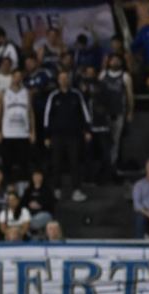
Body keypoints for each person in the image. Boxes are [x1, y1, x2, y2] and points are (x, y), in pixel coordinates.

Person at [43, 70, 91, 202]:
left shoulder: (76, 95)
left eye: (66, 78)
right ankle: (57, 189)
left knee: (75, 162)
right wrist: (47, 135)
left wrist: (87, 130)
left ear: (69, 80)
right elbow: (47, 117)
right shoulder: (53, 96)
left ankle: (76, 190)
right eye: (61, 78)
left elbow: (84, 113)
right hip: (57, 135)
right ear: (58, 81)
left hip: (74, 135)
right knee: (56, 163)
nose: (64, 80)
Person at [0, 67, 35, 183]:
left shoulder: (27, 92)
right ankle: (9, 187)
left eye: (20, 76)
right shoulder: (3, 93)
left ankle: (23, 187)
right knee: (7, 164)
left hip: (23, 134)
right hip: (8, 134)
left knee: (24, 163)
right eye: (15, 76)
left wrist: (33, 131)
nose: (17, 78)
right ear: (12, 77)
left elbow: (30, 113)